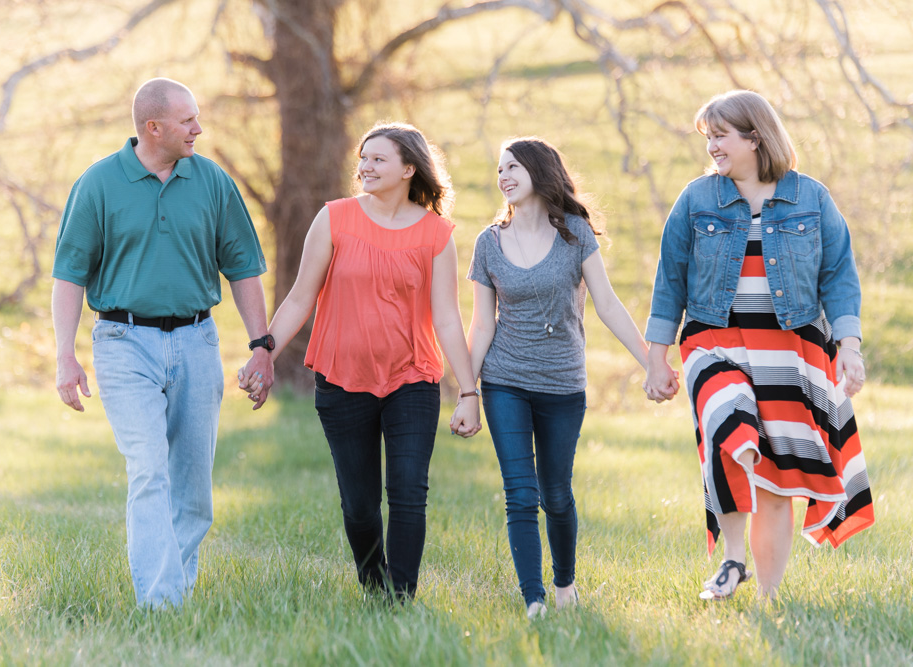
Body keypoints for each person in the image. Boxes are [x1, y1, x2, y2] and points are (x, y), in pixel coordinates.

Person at [643, 89, 874, 600]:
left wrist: (850, 347)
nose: (713, 149)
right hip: (713, 340)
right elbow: (669, 281)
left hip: (790, 350)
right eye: (709, 138)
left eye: (721, 136)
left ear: (755, 136)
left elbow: (839, 278)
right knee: (730, 425)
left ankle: (768, 596)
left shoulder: (810, 197)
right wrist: (656, 359)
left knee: (775, 479)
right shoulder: (697, 199)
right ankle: (731, 558)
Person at [52, 77, 273, 608]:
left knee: (193, 488)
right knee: (149, 468)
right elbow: (69, 276)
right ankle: (161, 604)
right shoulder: (100, 184)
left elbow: (242, 267)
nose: (199, 128)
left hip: (198, 341)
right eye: (188, 119)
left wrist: (261, 345)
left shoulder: (212, 181)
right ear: (154, 127)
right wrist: (65, 354)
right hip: (124, 341)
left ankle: (176, 595)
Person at [239, 122, 482, 602]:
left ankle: (400, 599)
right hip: (342, 378)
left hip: (412, 377)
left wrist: (469, 392)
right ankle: (374, 587)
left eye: (378, 159)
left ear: (409, 168)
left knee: (410, 492)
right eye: (363, 158)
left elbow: (449, 320)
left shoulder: (436, 234)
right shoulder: (335, 219)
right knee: (359, 505)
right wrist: (263, 350)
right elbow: (299, 298)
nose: (365, 167)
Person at [465, 137, 672, 620]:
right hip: (505, 381)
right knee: (521, 492)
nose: (504, 176)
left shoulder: (575, 234)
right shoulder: (488, 243)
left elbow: (608, 305)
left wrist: (651, 363)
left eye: (513, 166)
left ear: (540, 171)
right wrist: (467, 391)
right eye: (500, 169)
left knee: (556, 494)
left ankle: (564, 585)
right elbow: (481, 324)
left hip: (562, 384)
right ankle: (533, 600)